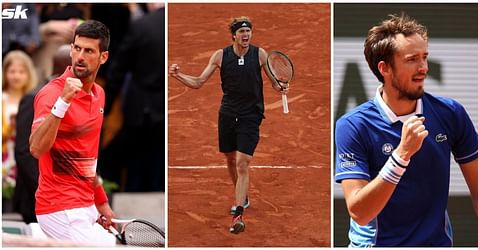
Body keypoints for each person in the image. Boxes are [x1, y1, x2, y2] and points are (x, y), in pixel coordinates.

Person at [334, 13, 478, 247]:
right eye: (412, 60)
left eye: (425, 57)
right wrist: (401, 156)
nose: (423, 68)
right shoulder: (352, 125)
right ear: (385, 68)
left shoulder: (450, 113)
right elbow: (360, 212)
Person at [169, 16, 288, 234]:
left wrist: (280, 87)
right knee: (231, 159)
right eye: (242, 32)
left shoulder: (260, 54)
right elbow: (197, 82)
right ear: (234, 35)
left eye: (248, 32)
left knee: (243, 162)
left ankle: (239, 212)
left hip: (251, 115)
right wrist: (178, 75)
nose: (246, 35)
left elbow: (273, 81)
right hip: (227, 114)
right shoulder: (220, 56)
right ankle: (242, 195)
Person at [29, 20, 115, 244]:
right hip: (58, 208)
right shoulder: (51, 95)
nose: (80, 56)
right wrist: (64, 101)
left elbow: (86, 158)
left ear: (103, 57)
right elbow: (36, 148)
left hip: (85, 205)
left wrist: (101, 201)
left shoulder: (99, 94)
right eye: (76, 48)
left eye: (88, 51)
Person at [103, 3, 165, 192]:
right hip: (169, 110)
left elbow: (118, 70)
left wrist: (104, 108)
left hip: (141, 111)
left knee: (136, 169)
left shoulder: (141, 26)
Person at [13, 44, 72, 224]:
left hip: (68, 198)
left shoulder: (78, 96)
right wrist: (46, 191)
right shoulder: (35, 96)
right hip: (38, 198)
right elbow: (24, 151)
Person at [2, 50, 38, 205]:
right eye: (12, 71)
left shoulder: (33, 99)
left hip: (23, 154)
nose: (16, 76)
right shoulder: (2, 99)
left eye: (21, 72)